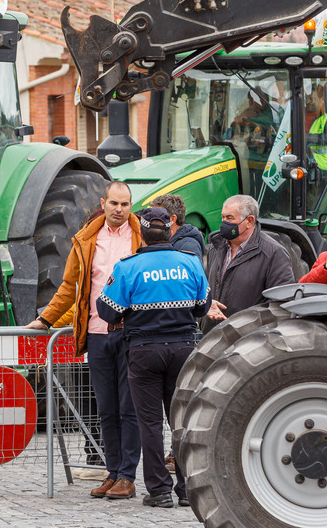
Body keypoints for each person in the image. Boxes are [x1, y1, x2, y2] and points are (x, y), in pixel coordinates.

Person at [24, 181, 143, 500]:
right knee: (106, 409)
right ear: (103, 203)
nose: (120, 209)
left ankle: (128, 476)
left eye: (126, 204)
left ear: (131, 206)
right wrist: (45, 319)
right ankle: (113, 471)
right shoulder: (87, 240)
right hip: (97, 334)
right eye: (114, 203)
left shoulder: (140, 238)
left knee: (128, 409)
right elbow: (68, 287)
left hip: (131, 334)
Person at [96, 207, 211, 509]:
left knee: (149, 423)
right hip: (184, 349)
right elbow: (202, 306)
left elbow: (107, 310)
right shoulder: (190, 263)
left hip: (144, 351)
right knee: (182, 422)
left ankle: (159, 491)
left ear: (143, 234)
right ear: (170, 231)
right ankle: (188, 490)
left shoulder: (129, 266)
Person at [203, 194, 294, 333]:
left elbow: (280, 306)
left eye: (229, 218)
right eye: (222, 217)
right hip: (212, 336)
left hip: (246, 339)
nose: (223, 223)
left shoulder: (273, 253)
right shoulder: (216, 247)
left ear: (250, 221)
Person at [149, 194, 204, 259]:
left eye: (157, 216)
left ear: (172, 219)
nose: (151, 220)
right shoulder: (158, 239)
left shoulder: (188, 247)